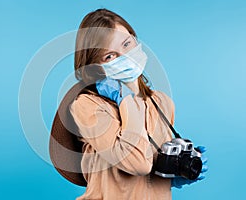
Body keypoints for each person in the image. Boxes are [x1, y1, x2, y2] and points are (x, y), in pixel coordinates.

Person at [62, 8, 207, 200]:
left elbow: (149, 166)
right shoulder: (88, 106)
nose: (125, 56)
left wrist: (174, 173)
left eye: (127, 44)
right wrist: (125, 99)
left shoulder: (162, 103)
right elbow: (139, 164)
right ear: (95, 67)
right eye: (110, 56)